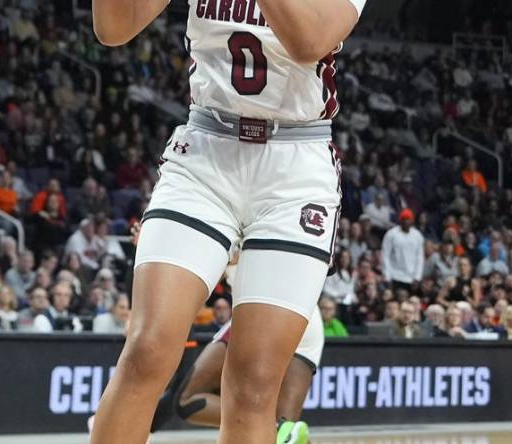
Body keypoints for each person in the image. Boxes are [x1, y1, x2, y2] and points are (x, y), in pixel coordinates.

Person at [89, 0, 366, 440]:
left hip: (295, 168)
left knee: (254, 385)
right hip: (205, 152)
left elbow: (309, 41)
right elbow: (113, 28)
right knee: (146, 351)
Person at [151, 307, 325, 444]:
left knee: (188, 400)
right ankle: (277, 427)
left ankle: (273, 426)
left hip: (263, 311)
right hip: (308, 315)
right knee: (286, 433)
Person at [381, 208, 425, 292]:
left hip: (411, 277)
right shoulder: (391, 234)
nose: (406, 222)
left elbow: (420, 258)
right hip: (395, 276)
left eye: (408, 219)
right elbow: (385, 256)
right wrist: (387, 276)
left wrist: (417, 277)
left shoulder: (417, 236)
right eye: (403, 219)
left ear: (412, 221)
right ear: (400, 220)